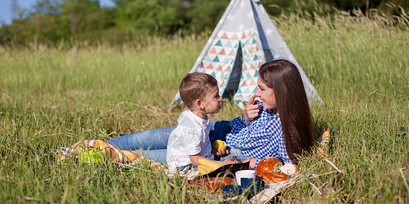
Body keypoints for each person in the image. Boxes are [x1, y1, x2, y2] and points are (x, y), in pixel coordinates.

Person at [108, 59, 315, 169]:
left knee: (151, 155)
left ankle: (100, 154)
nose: (256, 94)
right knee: (148, 136)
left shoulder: (288, 129)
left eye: (261, 89)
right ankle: (102, 144)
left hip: (221, 153)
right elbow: (240, 125)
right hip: (216, 130)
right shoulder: (265, 107)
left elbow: (286, 164)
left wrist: (249, 163)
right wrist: (246, 117)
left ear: (281, 91)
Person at [165, 72, 233, 171]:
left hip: (195, 158)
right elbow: (195, 159)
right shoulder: (192, 128)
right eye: (216, 96)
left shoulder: (198, 117)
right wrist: (221, 164)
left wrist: (210, 151)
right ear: (200, 103)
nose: (220, 98)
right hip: (185, 167)